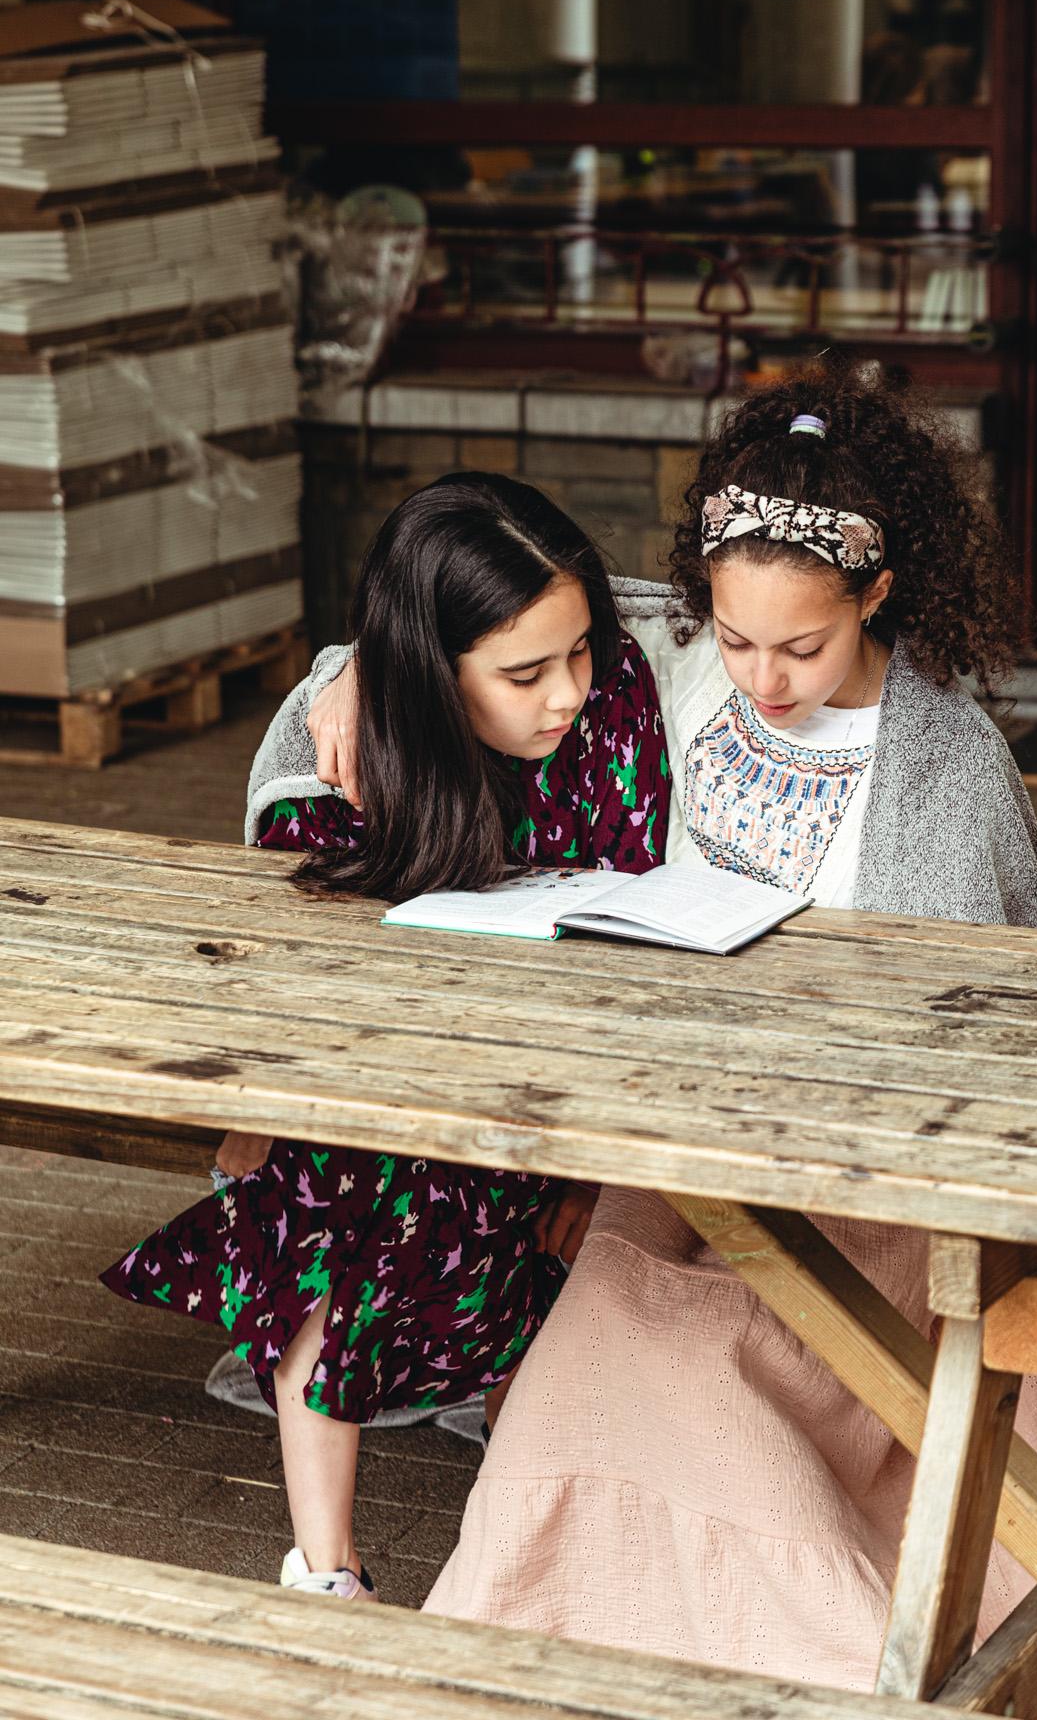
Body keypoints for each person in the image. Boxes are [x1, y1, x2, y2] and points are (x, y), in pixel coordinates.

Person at [309, 370, 1037, 1689]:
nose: (758, 675)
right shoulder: (642, 651)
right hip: (666, 1158)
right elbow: (446, 631)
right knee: (595, 1364)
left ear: (876, 594)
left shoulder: (947, 765)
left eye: (798, 648)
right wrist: (355, 678)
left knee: (707, 1373)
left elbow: (1031, 1016)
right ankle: (515, 1668)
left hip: (866, 1188)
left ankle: (801, 1660)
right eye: (732, 634)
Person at [100, 473, 670, 1604]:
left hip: (557, 1072)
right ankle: (328, 1566)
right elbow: (300, 974)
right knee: (339, 1222)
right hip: (377, 1081)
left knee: (533, 1288)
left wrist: (595, 1157)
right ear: (428, 670)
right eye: (523, 673)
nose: (567, 693)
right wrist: (266, 1100)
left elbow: (632, 910)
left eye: (580, 652)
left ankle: (511, 1560)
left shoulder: (613, 698)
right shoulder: (350, 770)